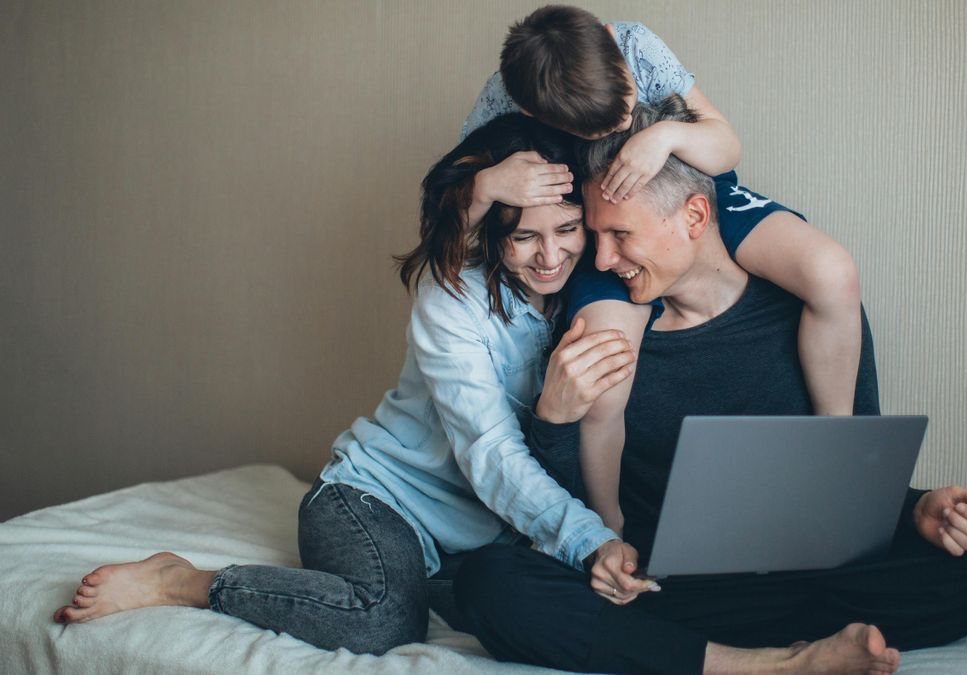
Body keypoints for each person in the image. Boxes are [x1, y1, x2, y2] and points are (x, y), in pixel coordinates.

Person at [453, 100, 967, 675]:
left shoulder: (808, 313)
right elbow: (566, 513)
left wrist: (914, 512)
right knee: (489, 585)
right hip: (668, 584)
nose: (601, 259)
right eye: (598, 236)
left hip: (807, 575)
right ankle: (773, 663)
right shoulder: (603, 331)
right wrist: (554, 421)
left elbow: (843, 477)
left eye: (622, 235)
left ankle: (707, 650)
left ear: (696, 217)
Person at [50, 114, 636, 655]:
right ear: (494, 235)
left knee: (543, 611)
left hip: (475, 541)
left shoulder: (590, 296)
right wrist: (588, 538)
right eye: (524, 238)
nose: (550, 255)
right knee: (383, 620)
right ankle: (183, 580)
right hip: (373, 501)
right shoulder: (452, 299)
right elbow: (490, 453)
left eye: (566, 229)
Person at [464, 4, 865, 538]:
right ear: (535, 114)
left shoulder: (637, 43)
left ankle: (837, 444)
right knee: (606, 377)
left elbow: (726, 143)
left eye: (625, 109)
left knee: (832, 272)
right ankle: (608, 525)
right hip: (604, 219)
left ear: (613, 47)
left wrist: (667, 137)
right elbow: (452, 206)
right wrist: (487, 183)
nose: (622, 127)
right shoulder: (502, 101)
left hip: (691, 189)